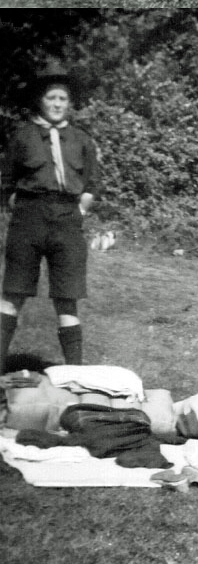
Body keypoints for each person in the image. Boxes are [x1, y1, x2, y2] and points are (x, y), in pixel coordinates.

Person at [0, 65, 99, 374]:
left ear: (69, 103)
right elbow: (6, 182)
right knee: (12, 293)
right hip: (29, 219)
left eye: (63, 98)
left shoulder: (82, 139)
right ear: (39, 101)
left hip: (67, 220)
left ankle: (76, 377)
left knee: (67, 298)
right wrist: (25, 209)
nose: (57, 104)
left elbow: (92, 184)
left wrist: (78, 211)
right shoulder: (22, 136)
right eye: (51, 97)